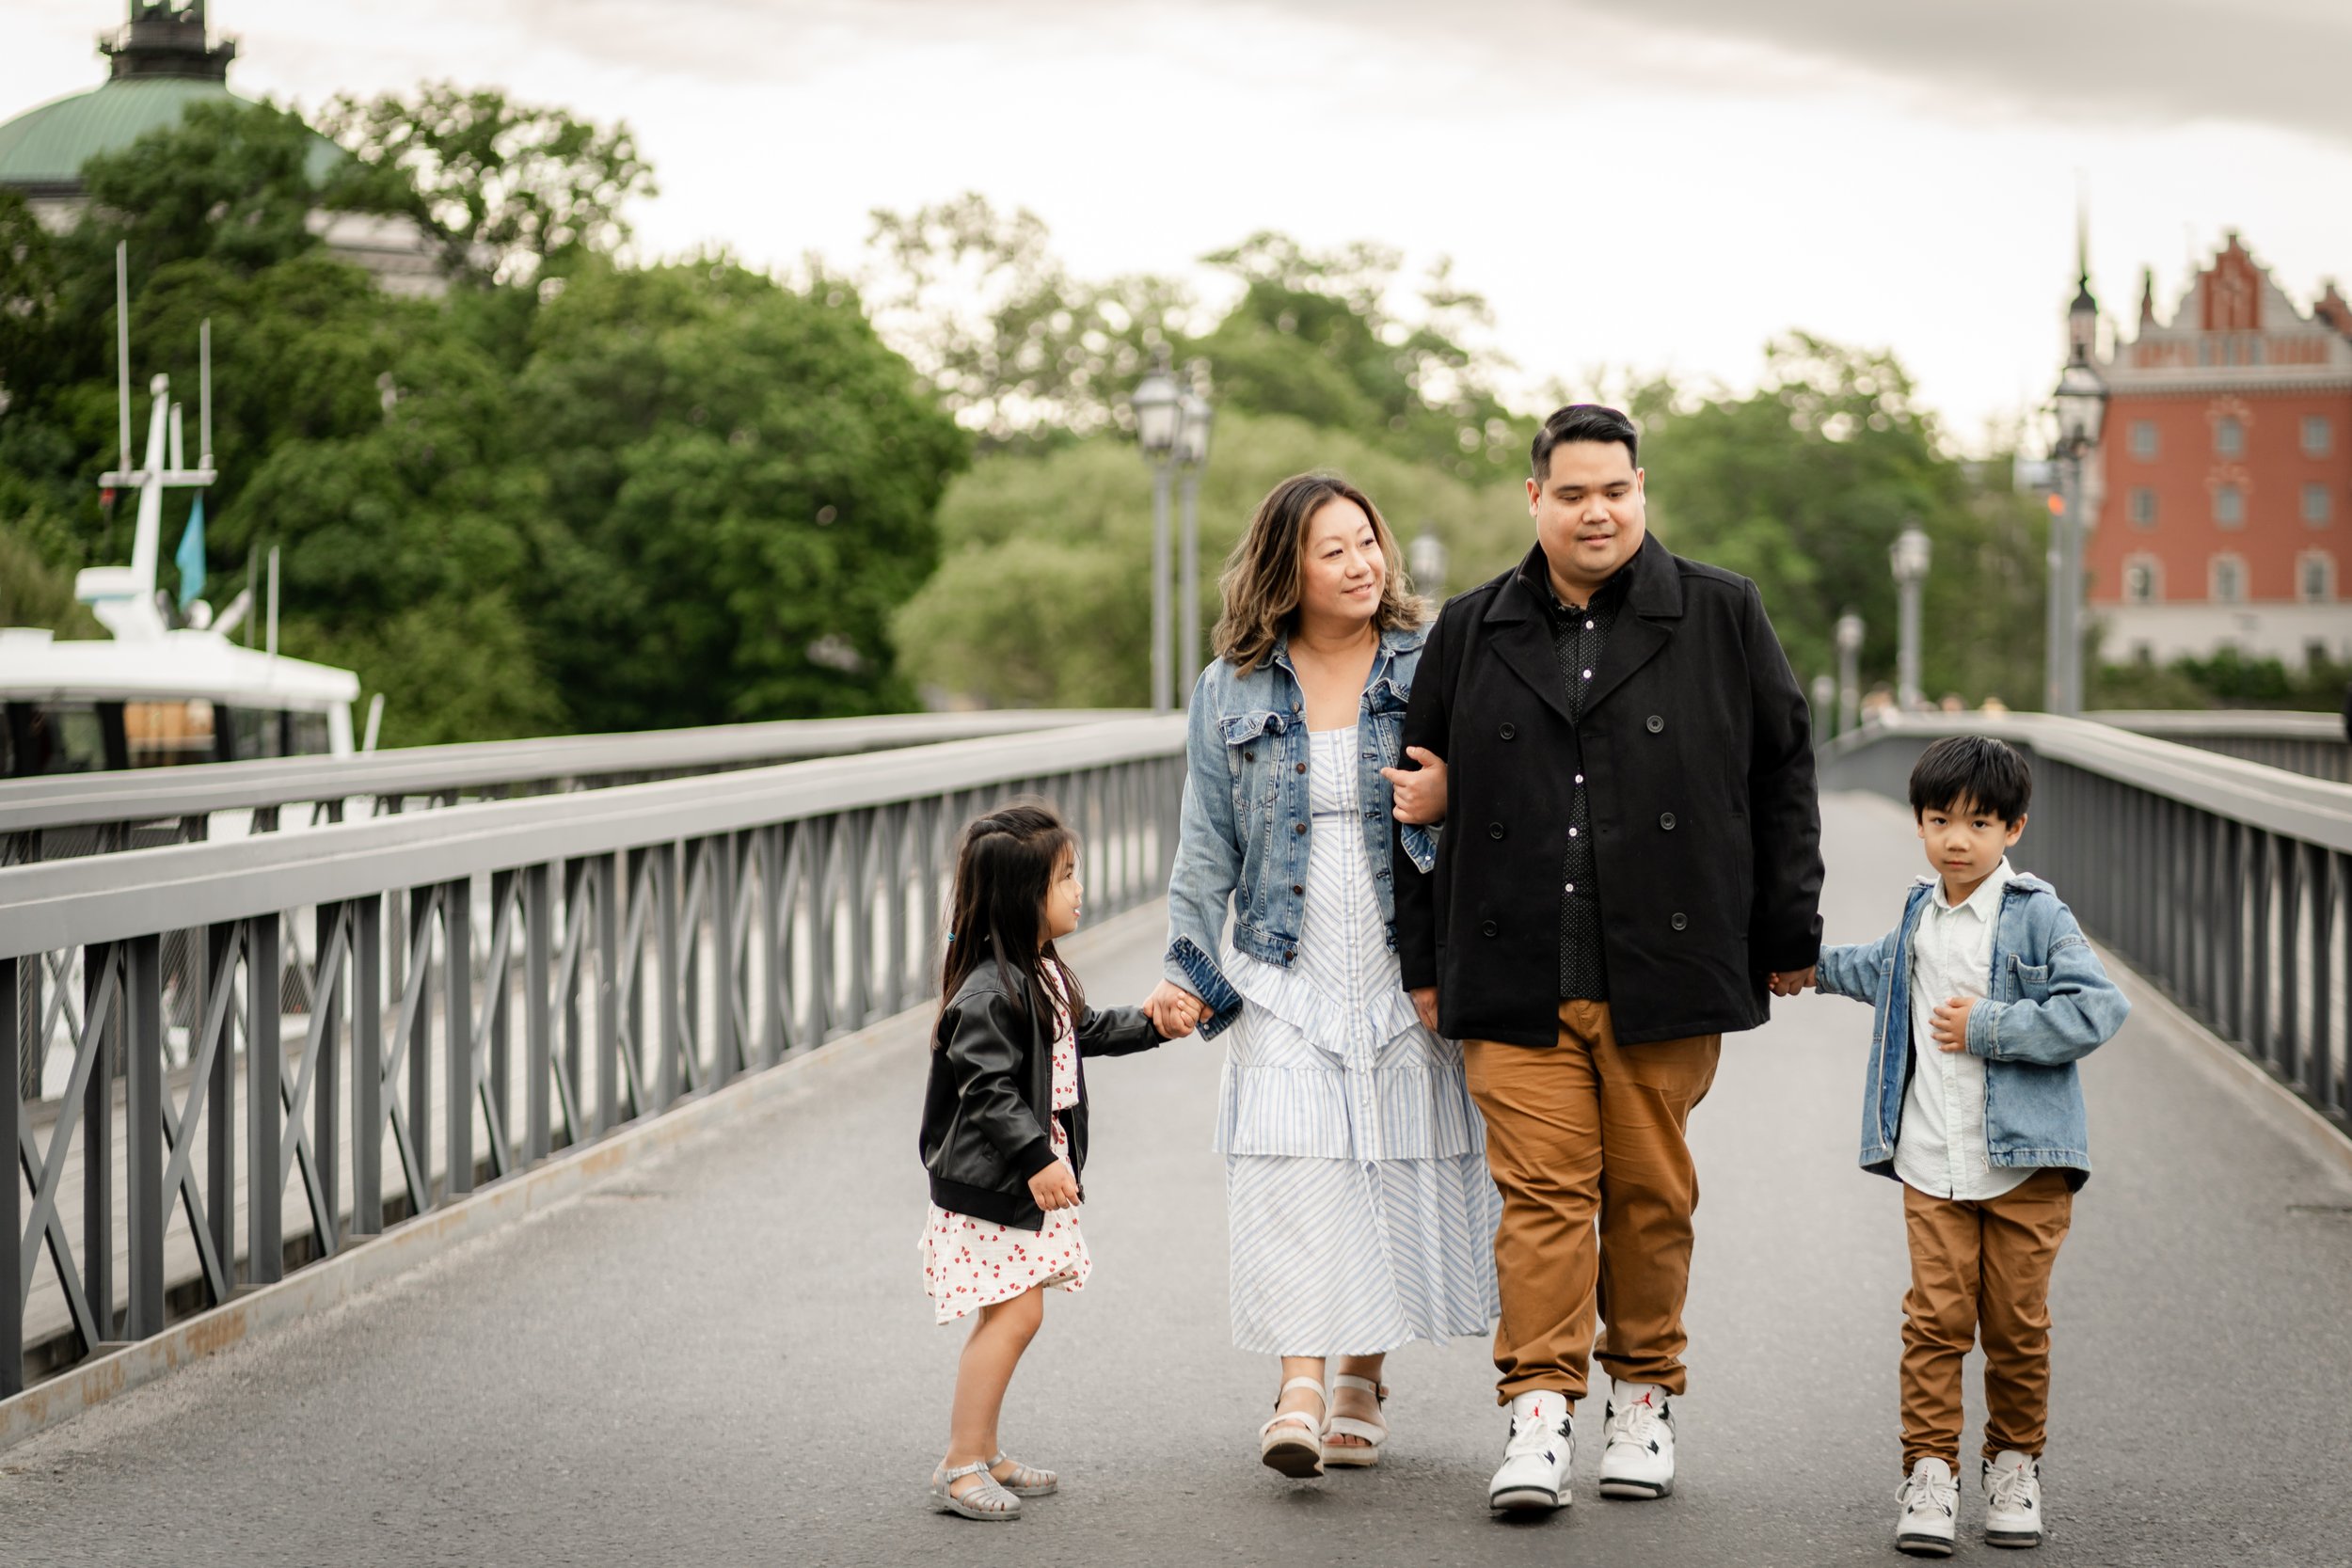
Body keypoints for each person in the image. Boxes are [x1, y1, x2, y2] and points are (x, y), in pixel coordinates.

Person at [1393, 403, 1824, 1514]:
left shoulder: (1721, 612)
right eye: (1574, 492)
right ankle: (1537, 1409)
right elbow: (1409, 803)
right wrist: (1420, 958)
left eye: (1617, 490)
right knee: (1540, 1196)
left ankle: (1642, 1395)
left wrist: (1788, 929)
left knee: (1647, 1194)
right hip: (1509, 961)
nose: (1598, 510)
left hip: (1665, 964)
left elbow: (1783, 772)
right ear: (1533, 498)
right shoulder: (1473, 627)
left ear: (1643, 493)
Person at [1145, 472, 1500, 1479]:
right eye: (1333, 549)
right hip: (1282, 949)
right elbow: (1204, 843)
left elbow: (1505, 794)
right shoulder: (1231, 683)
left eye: (1367, 542)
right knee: (1296, 1160)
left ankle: (1360, 1373)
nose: (1360, 564)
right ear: (1285, 567)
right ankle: (1300, 1381)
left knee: (1389, 1153)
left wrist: (1452, 792)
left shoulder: (1432, 661)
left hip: (1405, 940)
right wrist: (1190, 967)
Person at [1776, 736, 2128, 1556]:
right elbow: (1879, 969)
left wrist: (1991, 1026)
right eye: (1940, 820)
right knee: (1934, 1322)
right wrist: (1804, 967)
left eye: (1979, 822)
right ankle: (1929, 1471)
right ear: (1920, 824)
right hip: (1932, 1163)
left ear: (2015, 828)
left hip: (2025, 1169)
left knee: (2014, 1326)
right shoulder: (1919, 912)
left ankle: (2013, 1465)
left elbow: (2098, 1008)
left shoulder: (2038, 913)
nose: (1957, 839)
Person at [916, 801, 1189, 1520]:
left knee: (1016, 1316)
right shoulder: (986, 991)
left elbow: (1084, 1031)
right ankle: (959, 1462)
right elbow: (987, 1088)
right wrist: (1037, 1156)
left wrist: (1154, 1026)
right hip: (992, 1182)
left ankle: (983, 1447)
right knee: (1012, 1318)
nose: (1078, 888)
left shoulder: (1041, 972)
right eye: (1064, 877)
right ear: (1019, 897)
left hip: (1017, 1175)